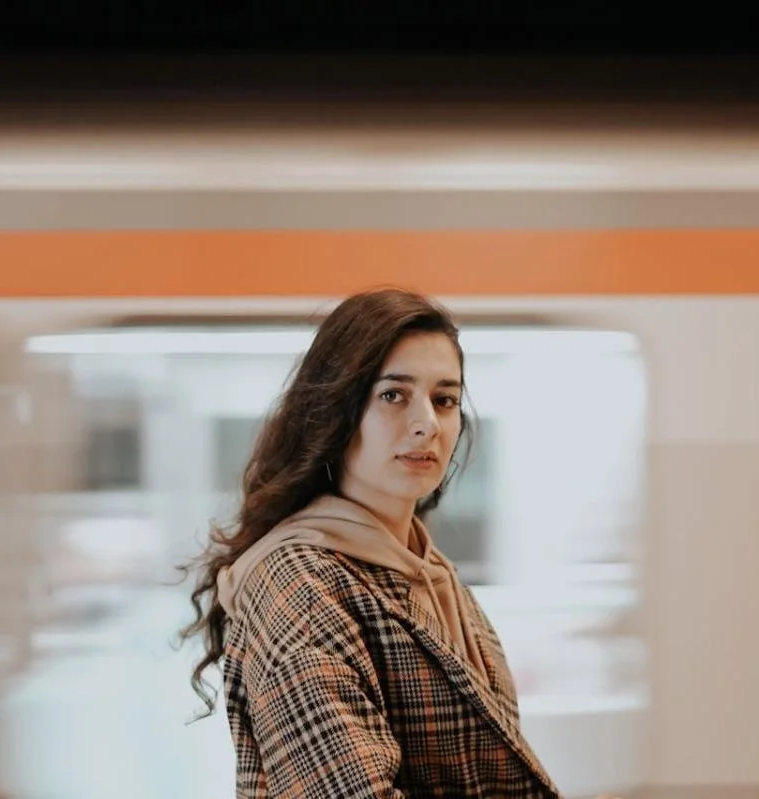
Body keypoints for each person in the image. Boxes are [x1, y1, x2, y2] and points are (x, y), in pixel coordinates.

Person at [179, 288, 564, 798]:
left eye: (445, 400)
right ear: (338, 413)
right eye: (393, 395)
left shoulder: (431, 571)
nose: (428, 422)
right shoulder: (298, 582)